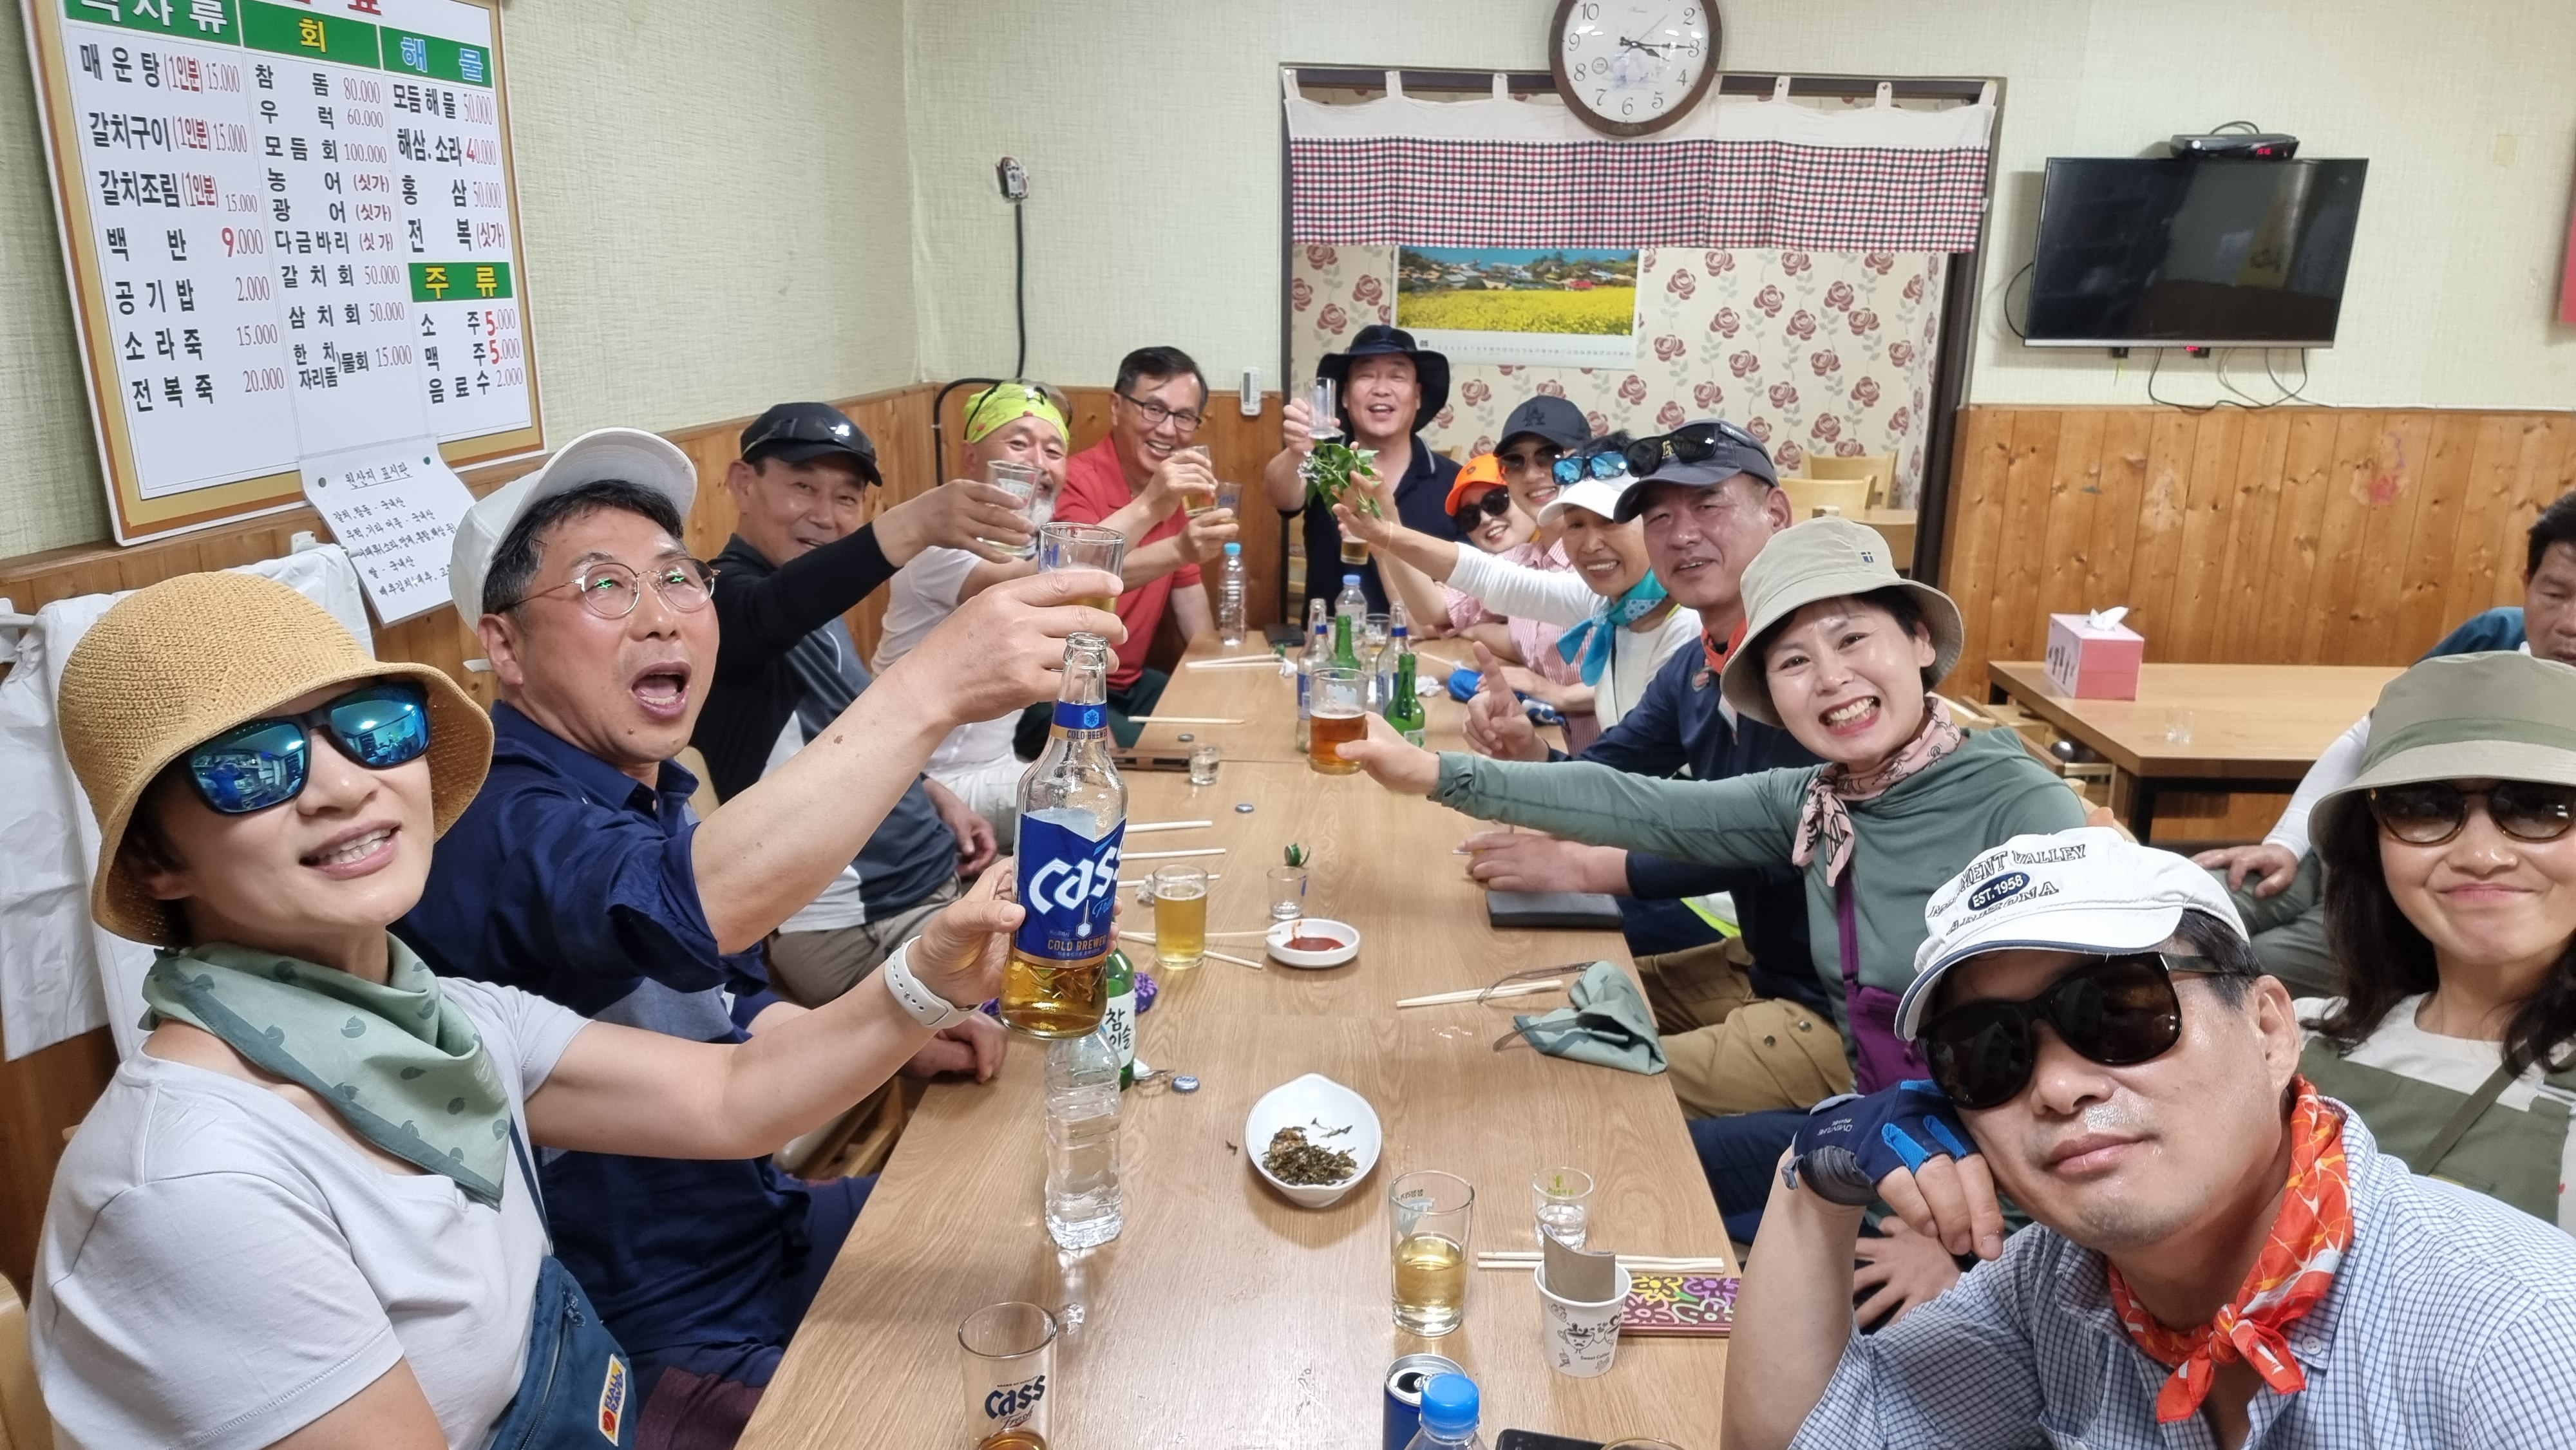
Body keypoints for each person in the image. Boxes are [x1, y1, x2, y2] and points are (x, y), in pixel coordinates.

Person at [32, 570, 1035, 1449]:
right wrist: (932, 688)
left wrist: (928, 976)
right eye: (250, 766)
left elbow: (735, 1095)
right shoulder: (193, 1181)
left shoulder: (443, 1021)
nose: (343, 787)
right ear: (157, 860)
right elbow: (690, 911)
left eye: (374, 728)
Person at [396, 427, 1124, 1442]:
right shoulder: (492, 818)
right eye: (605, 588)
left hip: (762, 1229)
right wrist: (933, 685)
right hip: (644, 1333)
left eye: (676, 578)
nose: (661, 617)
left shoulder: (651, 786)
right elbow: (680, 905)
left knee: (1053, 1241)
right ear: (505, 647)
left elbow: (732, 1000)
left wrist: (901, 1017)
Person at [1338, 514, 2087, 1271]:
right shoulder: (1813, 799)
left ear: (1919, 642)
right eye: (1794, 660)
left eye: (1853, 638)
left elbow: (2087, 1064)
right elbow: (1637, 805)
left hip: (1989, 1210)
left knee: (1632, 1175)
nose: (1830, 676)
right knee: (1613, 1169)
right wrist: (1431, 772)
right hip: (1879, 1137)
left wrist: (1977, 1254)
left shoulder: (2018, 805)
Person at [1723, 826, 2576, 1450]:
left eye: (2120, 1011)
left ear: (2270, 1030)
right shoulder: (2054, 1287)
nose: (2058, 1086)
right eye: (1987, 1053)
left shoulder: (2520, 1341)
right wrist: (1816, 1177)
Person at [692, 402, 1018, 1012]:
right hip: (852, 925)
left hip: (936, 880)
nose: (825, 515)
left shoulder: (818, 600)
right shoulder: (713, 606)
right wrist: (914, 527)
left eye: (847, 498)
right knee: (1045, 998)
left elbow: (849, 724)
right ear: (742, 483)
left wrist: (934, 794)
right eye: (803, 487)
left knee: (1089, 913)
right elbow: (766, 613)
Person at [2196, 490, 2576, 992]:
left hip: (2414, 902)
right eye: (2555, 595)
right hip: (2352, 851)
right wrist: (2285, 843)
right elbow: (2367, 734)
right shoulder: (2489, 641)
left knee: (2235, 969)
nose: (2569, 623)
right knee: (2186, 906)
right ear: (2527, 584)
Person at [2297, 650, 2576, 1231]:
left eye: (2539, 808)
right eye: (2423, 808)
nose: (2481, 855)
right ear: (2371, 844)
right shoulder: (2294, 1042)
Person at [878, 381, 1233, 838]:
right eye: (1018, 444)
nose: (1038, 463)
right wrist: (1150, 506)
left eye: (1053, 451)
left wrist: (1179, 549)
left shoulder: (1029, 545)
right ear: (970, 457)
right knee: (1119, 807)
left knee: (1152, 788)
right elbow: (1045, 583)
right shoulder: (940, 545)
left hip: (996, 767)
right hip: (922, 782)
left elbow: (1073, 586)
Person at [1338, 434, 1700, 735]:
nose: (1591, 544)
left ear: (1656, 522)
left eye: (1610, 521)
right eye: (1576, 524)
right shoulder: (1605, 602)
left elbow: (1639, 770)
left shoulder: (1685, 625)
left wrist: (1549, 712)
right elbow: (1486, 577)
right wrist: (1387, 530)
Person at [1010, 346, 1238, 757]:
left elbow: (1190, 604)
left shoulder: (1177, 492)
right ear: (1116, 407)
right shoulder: (1075, 480)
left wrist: (1218, 673)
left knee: (1216, 726)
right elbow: (1074, 580)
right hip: (1054, 686)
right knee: (1164, 759)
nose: (1168, 429)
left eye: (1184, 417)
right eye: (1154, 409)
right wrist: (1177, 544)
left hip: (1129, 682)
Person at [1260, 323, 1464, 612]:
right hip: (1331, 637)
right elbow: (1280, 497)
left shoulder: (1455, 481)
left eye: (1397, 376)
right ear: (1345, 396)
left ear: (1418, 396)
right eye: (1366, 376)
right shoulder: (1324, 461)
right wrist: (1296, 451)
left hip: (1422, 638)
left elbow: (1469, 586)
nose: (1381, 389)